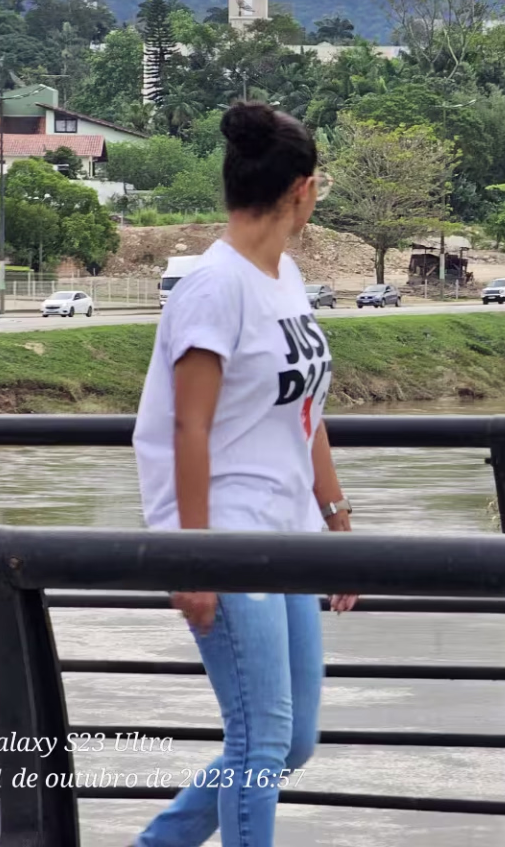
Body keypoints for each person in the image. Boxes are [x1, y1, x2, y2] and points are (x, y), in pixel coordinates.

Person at [132, 101, 356, 847]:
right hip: (226, 535)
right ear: (302, 190)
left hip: (287, 534)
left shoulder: (284, 276)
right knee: (259, 740)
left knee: (291, 742)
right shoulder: (213, 286)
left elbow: (304, 409)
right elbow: (188, 426)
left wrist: (337, 522)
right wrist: (194, 559)